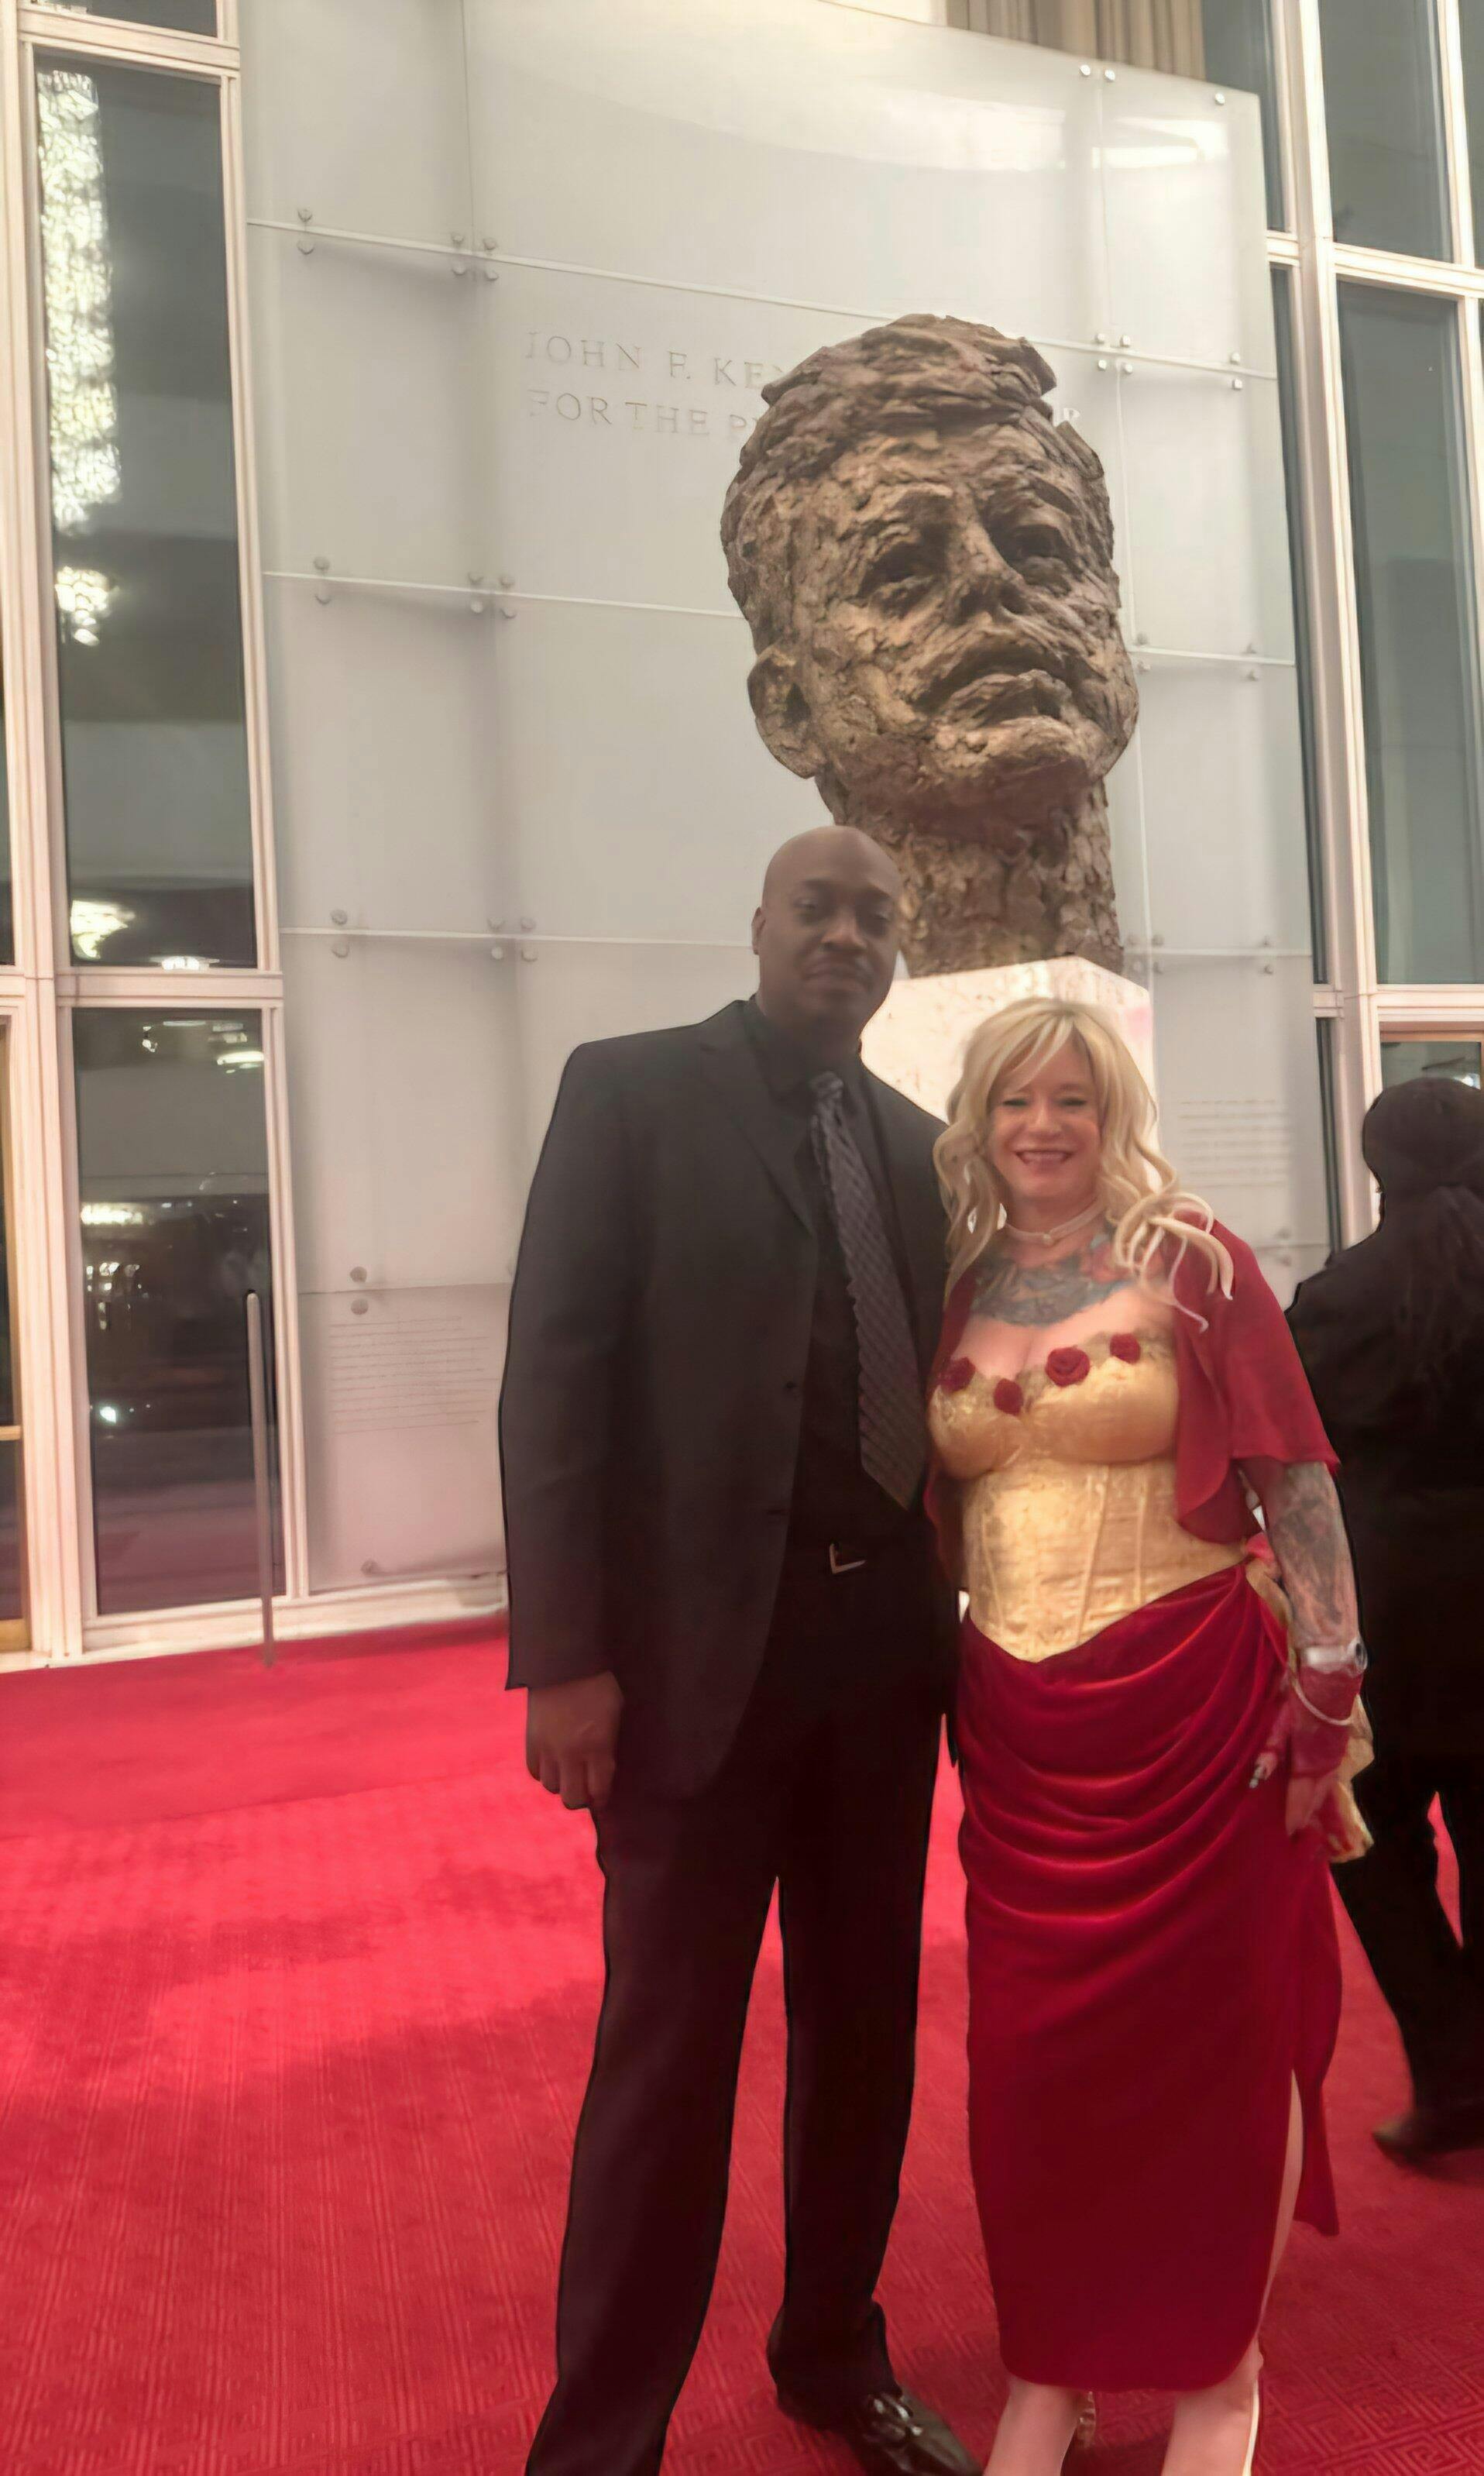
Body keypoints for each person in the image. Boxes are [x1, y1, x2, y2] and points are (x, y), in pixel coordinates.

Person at [500, 824, 975, 2476]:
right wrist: (565, 1657)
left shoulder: (919, 1145)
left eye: (874, 916)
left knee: (864, 2032)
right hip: (691, 1664)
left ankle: (835, 2356)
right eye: (816, 908)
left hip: (879, 1657)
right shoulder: (630, 1094)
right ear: (759, 924)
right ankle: (601, 2436)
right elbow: (552, 1382)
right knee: (669, 2053)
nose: (845, 935)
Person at [926, 996, 1368, 2476]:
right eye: (1016, 1101)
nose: (1044, 1126)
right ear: (981, 1120)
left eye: (1074, 1098)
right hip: (1019, 1732)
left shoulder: (1195, 1260)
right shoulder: (959, 1281)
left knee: (1214, 2047)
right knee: (1032, 2071)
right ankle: (1050, 2367)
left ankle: (1217, 2374)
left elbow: (1294, 1477)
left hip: (1193, 1711)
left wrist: (1328, 1683)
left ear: (1115, 1112)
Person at [1289, 1073, 1484, 2162]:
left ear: (1374, 1166)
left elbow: (1291, 1457)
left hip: (1386, 1607)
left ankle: (1454, 2068)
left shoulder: (1334, 1299)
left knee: (1370, 1835)